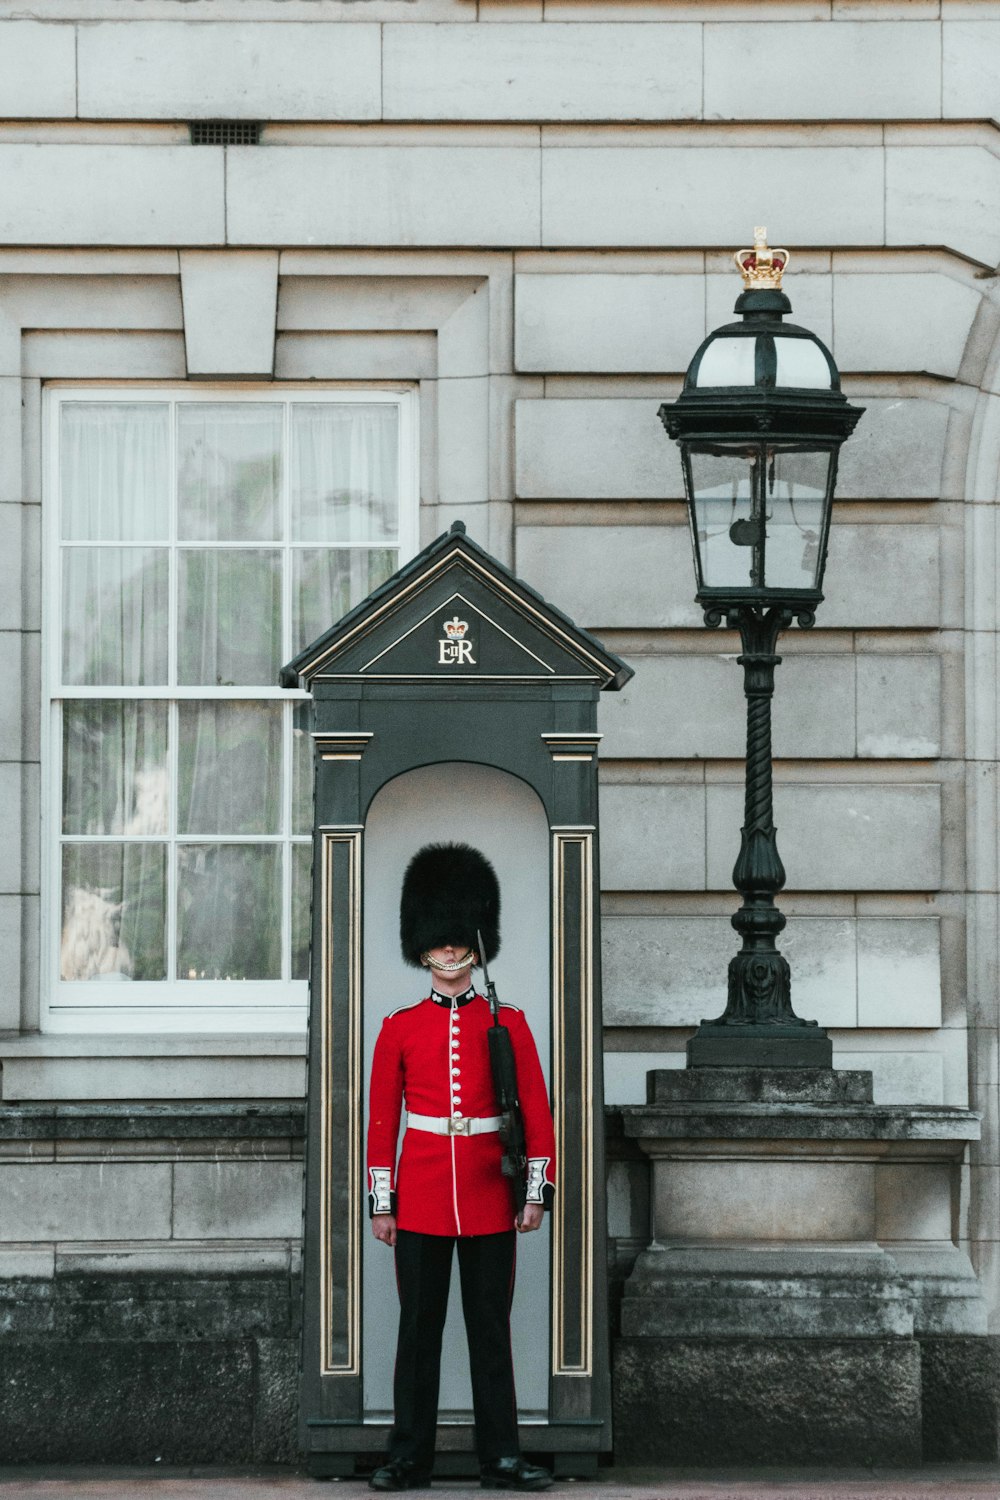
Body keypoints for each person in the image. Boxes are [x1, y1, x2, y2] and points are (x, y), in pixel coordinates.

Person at [367, 842, 556, 1493]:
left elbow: (538, 1116)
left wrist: (535, 1194)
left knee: (489, 1335)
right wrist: (382, 1203)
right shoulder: (399, 1027)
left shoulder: (511, 1023)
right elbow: (383, 1125)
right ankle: (408, 1456)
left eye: (456, 940)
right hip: (418, 1197)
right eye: (437, 942)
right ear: (421, 948)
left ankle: (501, 1457)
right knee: (417, 1336)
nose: (448, 951)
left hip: (487, 1197)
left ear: (475, 944)